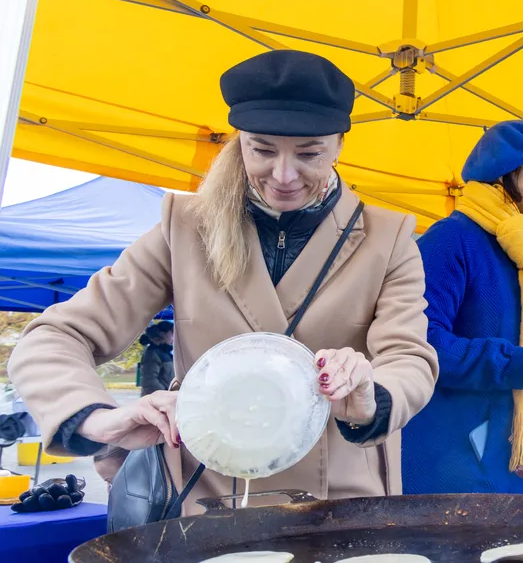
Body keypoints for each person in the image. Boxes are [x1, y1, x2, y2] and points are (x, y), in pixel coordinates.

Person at [7, 50, 439, 514]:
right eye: (262, 150)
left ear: (338, 147)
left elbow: (409, 358)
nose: (284, 175)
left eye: (309, 154)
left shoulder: (388, 237)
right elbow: (56, 336)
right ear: (239, 142)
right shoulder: (183, 227)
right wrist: (98, 417)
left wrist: (369, 395)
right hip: (206, 498)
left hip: (342, 500)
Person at [403, 121, 523, 494]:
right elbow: (420, 341)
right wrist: (517, 365)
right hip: (461, 466)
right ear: (505, 174)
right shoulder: (450, 240)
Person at [138, 321, 175, 396]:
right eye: (172, 334)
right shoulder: (152, 354)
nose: (173, 338)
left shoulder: (164, 353)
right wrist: (165, 395)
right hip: (157, 402)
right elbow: (149, 381)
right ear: (163, 333)